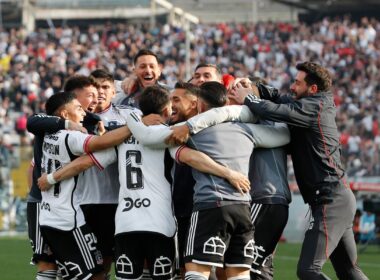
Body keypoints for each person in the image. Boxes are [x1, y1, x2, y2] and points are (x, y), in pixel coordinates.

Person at [38, 86, 250, 280]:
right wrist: (229, 174)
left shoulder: (119, 138)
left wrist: (51, 178)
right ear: (166, 110)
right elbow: (191, 158)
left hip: (126, 224)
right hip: (160, 224)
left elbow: (84, 163)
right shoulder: (167, 136)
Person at [229, 61, 368, 280]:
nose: (292, 87)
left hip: (330, 199)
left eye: (297, 82)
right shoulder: (313, 103)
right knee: (348, 271)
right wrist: (257, 88)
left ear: (313, 89)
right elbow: (281, 99)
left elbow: (278, 109)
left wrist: (249, 98)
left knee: (308, 270)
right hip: (336, 198)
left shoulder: (315, 106)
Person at [170, 82, 290, 280]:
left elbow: (160, 140)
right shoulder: (245, 130)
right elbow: (284, 135)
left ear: (199, 105)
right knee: (239, 275)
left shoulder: (190, 131)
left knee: (195, 272)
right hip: (243, 209)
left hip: (210, 206)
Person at [39, 92, 133, 280]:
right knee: (96, 274)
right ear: (65, 115)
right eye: (78, 109)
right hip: (68, 220)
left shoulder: (48, 134)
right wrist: (136, 125)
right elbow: (100, 142)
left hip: (47, 216)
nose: (83, 113)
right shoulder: (70, 137)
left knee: (68, 274)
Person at [26, 75, 99, 280]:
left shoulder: (93, 121)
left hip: (71, 202)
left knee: (71, 268)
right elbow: (32, 121)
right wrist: (68, 123)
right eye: (90, 95)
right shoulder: (48, 123)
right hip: (43, 204)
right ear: (73, 99)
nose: (95, 99)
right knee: (47, 264)